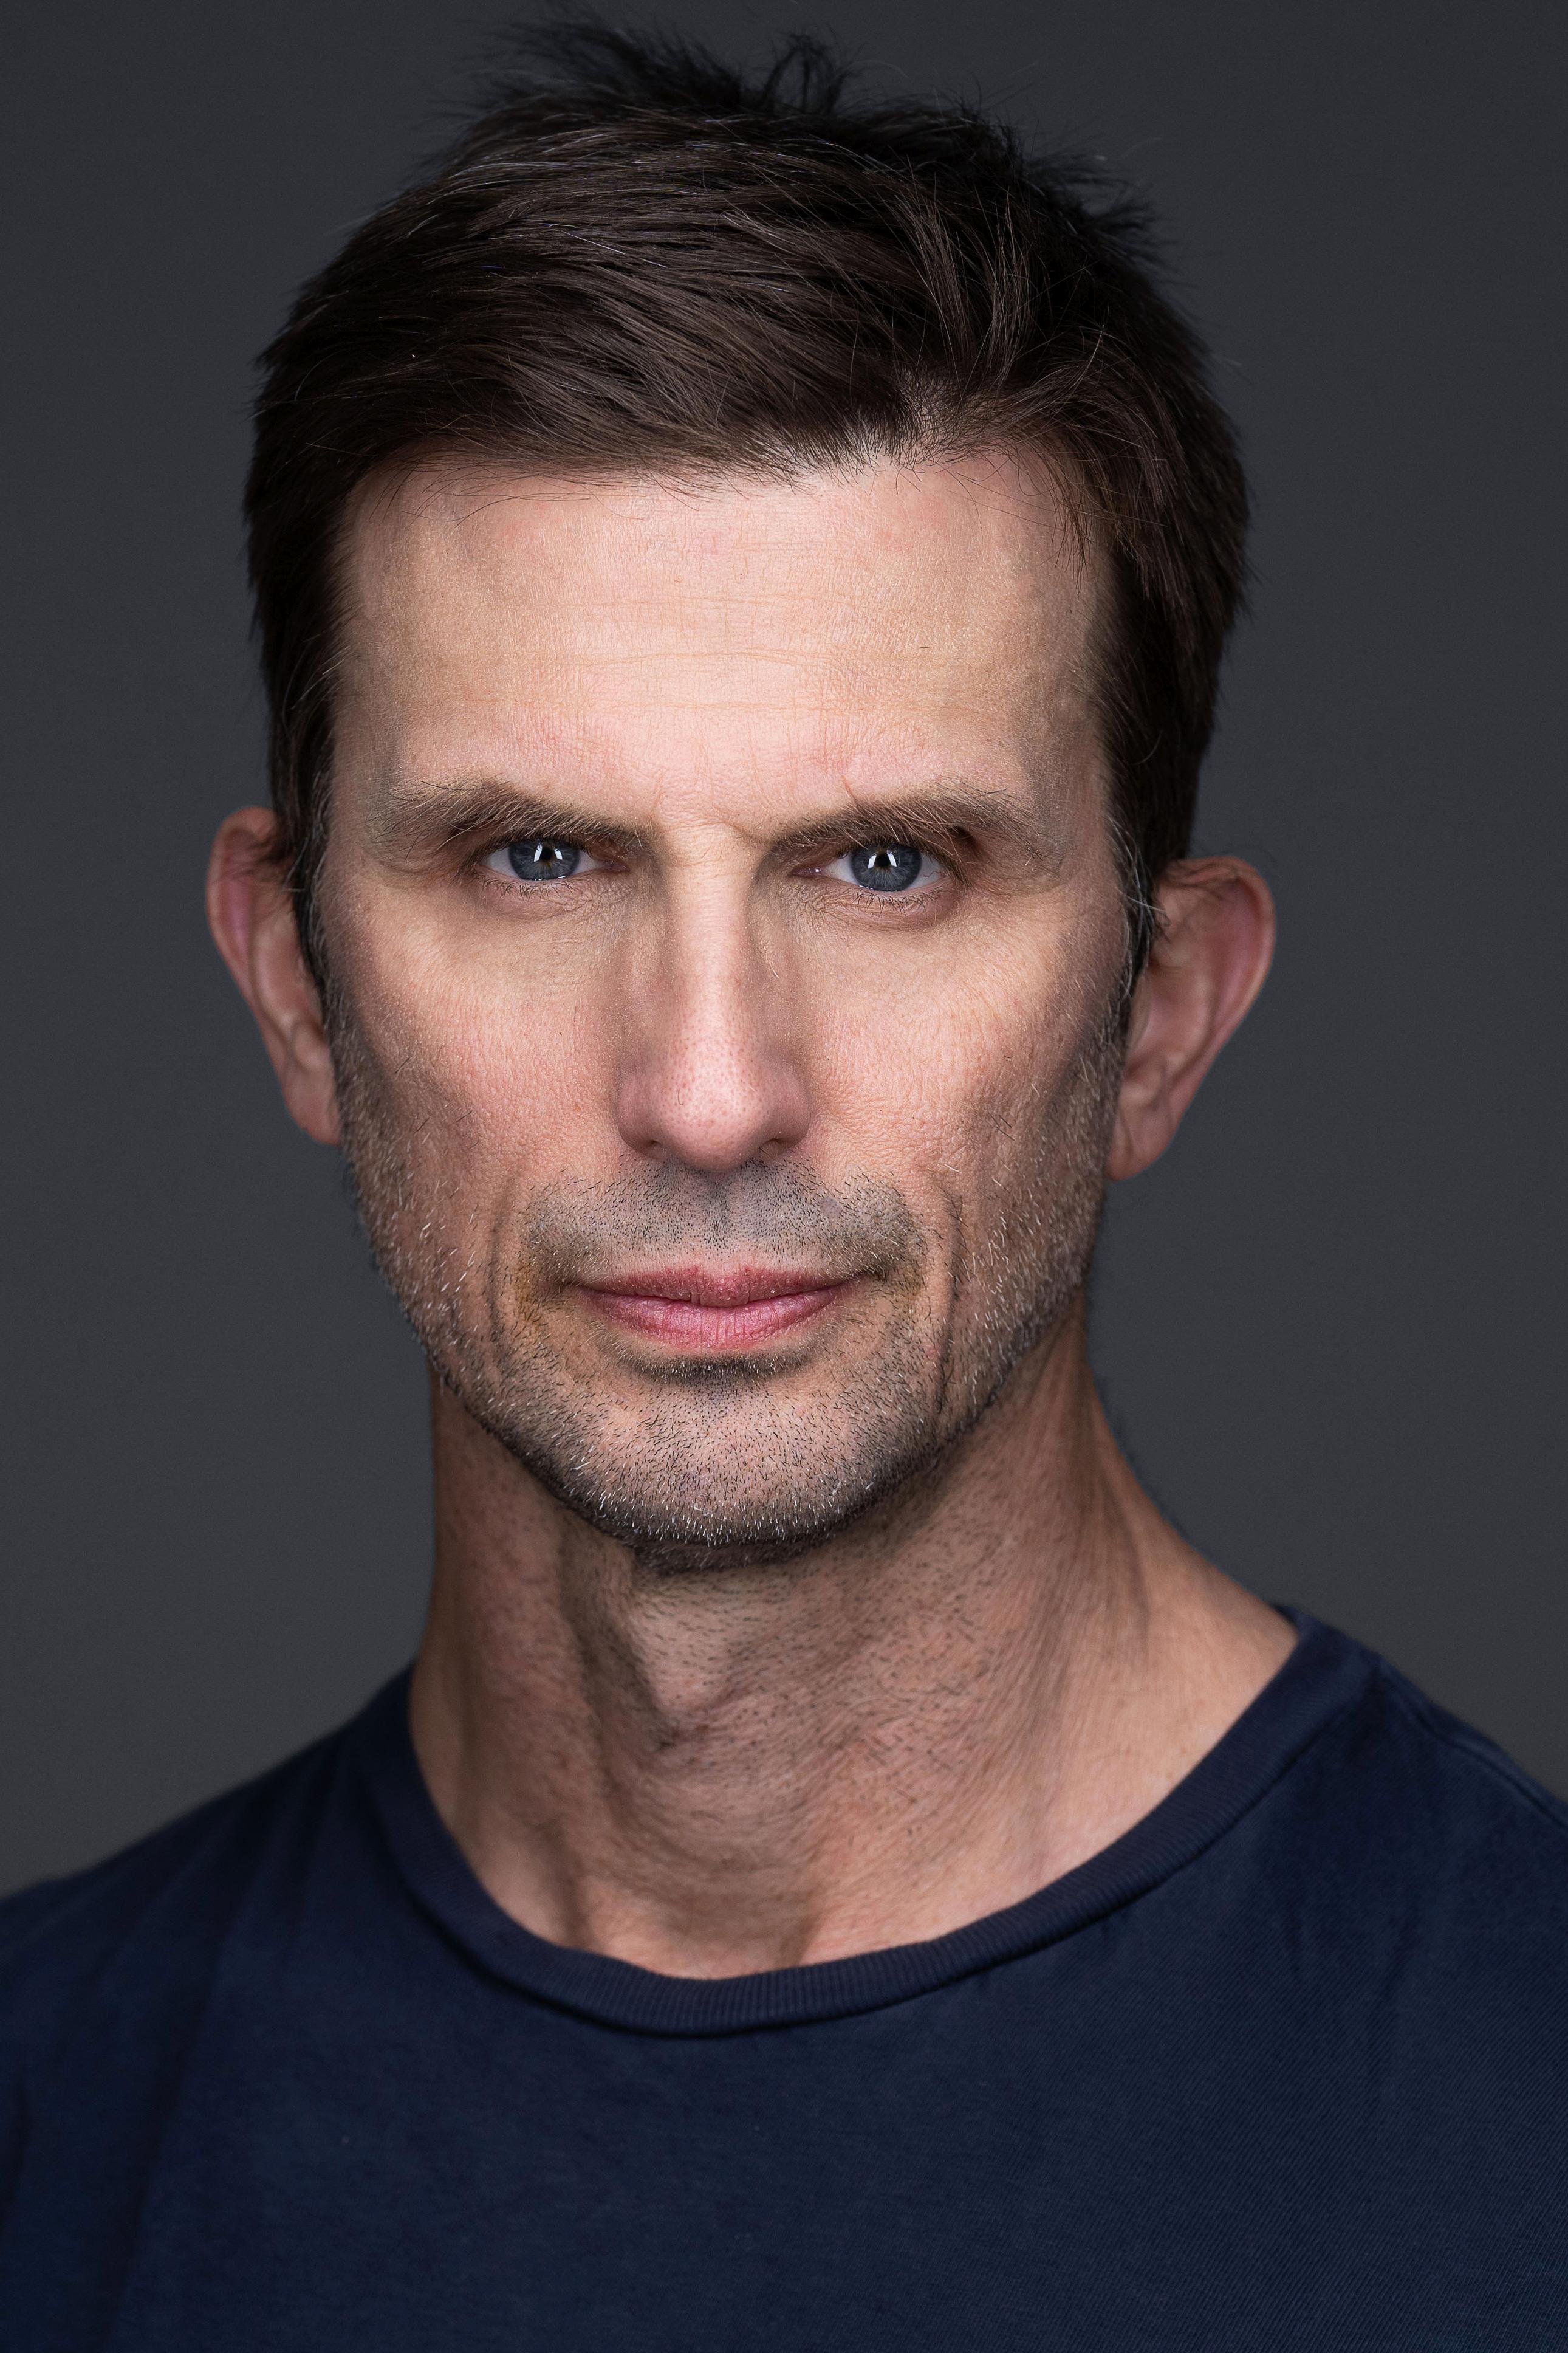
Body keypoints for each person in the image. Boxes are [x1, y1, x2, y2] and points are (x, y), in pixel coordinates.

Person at [3, 27, 1564, 2349]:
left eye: (889, 865)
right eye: (538, 860)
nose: (713, 1091)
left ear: (1159, 1014)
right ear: (297, 983)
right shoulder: (41, 2125)